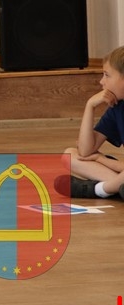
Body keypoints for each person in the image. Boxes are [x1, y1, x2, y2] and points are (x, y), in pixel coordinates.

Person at [57, 46, 124, 199]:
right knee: (70, 155)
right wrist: (90, 105)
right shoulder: (117, 107)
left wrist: (101, 159)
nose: (102, 81)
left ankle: (99, 190)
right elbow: (85, 151)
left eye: (107, 75)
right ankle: (118, 188)